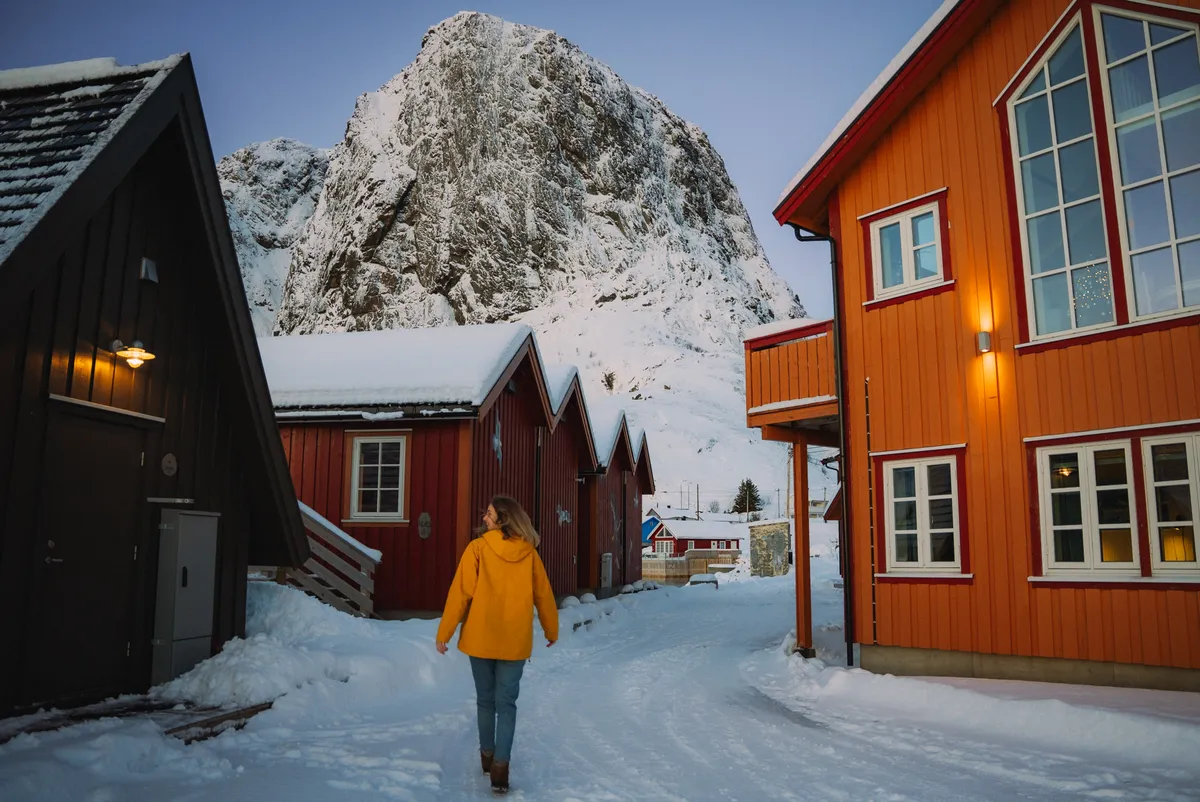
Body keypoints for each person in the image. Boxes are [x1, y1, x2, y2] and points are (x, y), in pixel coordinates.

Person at [436, 495, 559, 795]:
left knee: (485, 701)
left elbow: (460, 593)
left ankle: (487, 757)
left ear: (502, 518)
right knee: (507, 704)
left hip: (480, 639)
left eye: (489, 514)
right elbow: (543, 594)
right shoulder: (529, 554)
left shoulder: (477, 549)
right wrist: (550, 629)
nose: (484, 518)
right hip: (514, 642)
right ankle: (501, 769)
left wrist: (445, 632)